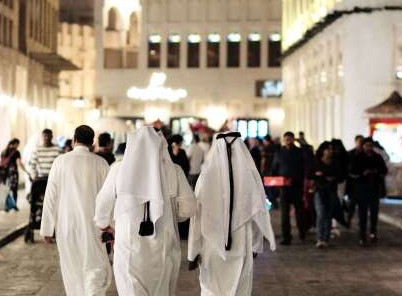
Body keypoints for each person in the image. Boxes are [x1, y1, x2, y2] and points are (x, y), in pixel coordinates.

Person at [95, 126, 196, 296]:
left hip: (129, 247)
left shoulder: (118, 169)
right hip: (164, 247)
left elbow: (103, 203)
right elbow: (189, 208)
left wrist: (104, 224)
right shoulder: (174, 170)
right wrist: (172, 217)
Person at [187, 132, 276, 295]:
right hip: (242, 246)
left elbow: (196, 220)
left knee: (213, 289)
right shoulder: (251, 178)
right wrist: (256, 244)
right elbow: (258, 212)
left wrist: (192, 252)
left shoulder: (205, 178)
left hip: (211, 247)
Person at [41, 125, 112, 295]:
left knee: (71, 270)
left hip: (66, 226)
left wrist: (47, 228)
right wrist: (111, 224)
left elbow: (50, 197)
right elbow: (110, 198)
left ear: (74, 140)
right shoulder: (101, 163)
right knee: (94, 267)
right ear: (92, 142)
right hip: (93, 226)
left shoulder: (60, 162)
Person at [350, 137, 388, 246]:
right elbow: (353, 172)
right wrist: (363, 173)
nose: (369, 148)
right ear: (363, 146)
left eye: (370, 146)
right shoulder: (358, 157)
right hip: (362, 188)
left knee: (374, 212)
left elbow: (384, 171)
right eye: (367, 146)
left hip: (374, 188)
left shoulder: (377, 157)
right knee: (362, 213)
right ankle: (362, 235)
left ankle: (373, 232)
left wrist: (376, 172)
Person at [272, 132, 308, 245]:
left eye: (290, 139)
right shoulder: (279, 153)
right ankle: (286, 237)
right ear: (284, 140)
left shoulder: (300, 152)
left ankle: (302, 232)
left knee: (300, 212)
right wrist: (275, 182)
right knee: (284, 214)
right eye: (286, 139)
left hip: (297, 187)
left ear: (293, 139)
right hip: (284, 188)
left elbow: (306, 165)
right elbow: (274, 169)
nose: (288, 141)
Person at [312, 142, 343, 248]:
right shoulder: (317, 162)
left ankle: (326, 239)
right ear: (323, 150)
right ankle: (320, 238)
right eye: (328, 149)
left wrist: (330, 177)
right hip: (319, 191)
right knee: (321, 214)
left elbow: (340, 176)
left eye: (331, 149)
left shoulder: (335, 163)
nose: (330, 151)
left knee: (329, 215)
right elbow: (310, 174)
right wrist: (319, 175)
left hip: (331, 191)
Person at [0, 139, 28, 206]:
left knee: (6, 189)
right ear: (15, 143)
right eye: (18, 144)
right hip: (13, 173)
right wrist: (25, 170)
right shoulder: (16, 152)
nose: (18, 146)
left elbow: (1, 163)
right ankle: (14, 205)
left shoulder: (4, 151)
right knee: (14, 190)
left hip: (4, 173)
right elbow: (19, 163)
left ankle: (6, 205)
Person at [345, 135, 365, 227]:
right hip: (353, 182)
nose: (360, 143)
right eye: (359, 141)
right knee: (352, 203)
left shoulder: (365, 154)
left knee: (362, 204)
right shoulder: (350, 154)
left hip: (363, 182)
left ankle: (360, 222)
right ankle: (349, 219)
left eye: (362, 141)